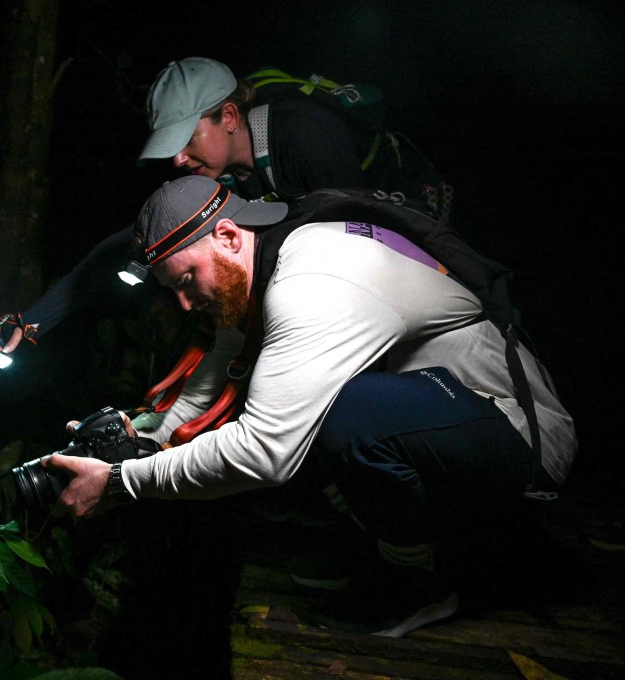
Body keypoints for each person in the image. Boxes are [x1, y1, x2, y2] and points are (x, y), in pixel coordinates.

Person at [41, 174, 577, 637]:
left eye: (186, 280)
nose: (183, 302)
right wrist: (142, 441)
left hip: (518, 439)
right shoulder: (271, 256)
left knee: (340, 412)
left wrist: (118, 482)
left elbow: (264, 452)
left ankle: (415, 581)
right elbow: (207, 383)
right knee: (308, 399)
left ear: (227, 235)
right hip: (445, 422)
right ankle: (385, 546)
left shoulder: (309, 285)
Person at [0, 57, 447, 356]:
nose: (176, 159)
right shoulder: (216, 174)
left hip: (406, 208)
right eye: (168, 146)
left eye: (185, 140)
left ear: (228, 116)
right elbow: (129, 242)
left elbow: (361, 245)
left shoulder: (303, 133)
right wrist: (33, 320)